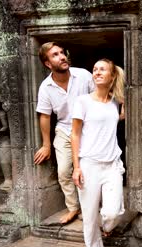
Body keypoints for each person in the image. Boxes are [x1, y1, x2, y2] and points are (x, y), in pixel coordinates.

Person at [71, 59, 125, 247]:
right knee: (90, 214)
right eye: (95, 69)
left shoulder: (115, 101)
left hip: (112, 164)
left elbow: (118, 117)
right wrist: (76, 167)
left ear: (112, 76)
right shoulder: (82, 101)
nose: (97, 72)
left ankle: (106, 228)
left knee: (113, 212)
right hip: (89, 164)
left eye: (102, 69)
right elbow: (74, 135)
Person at [34, 42, 94, 224]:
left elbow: (99, 98)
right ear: (47, 63)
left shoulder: (83, 75)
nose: (62, 57)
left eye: (62, 53)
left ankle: (91, 207)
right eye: (55, 55)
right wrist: (46, 145)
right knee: (63, 172)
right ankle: (73, 208)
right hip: (64, 130)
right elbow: (45, 116)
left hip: (88, 129)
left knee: (89, 172)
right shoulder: (46, 87)